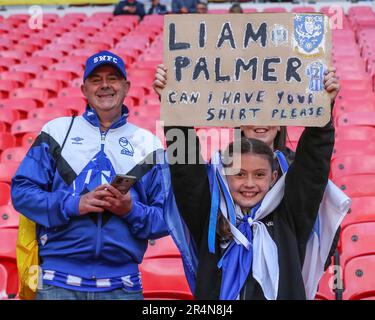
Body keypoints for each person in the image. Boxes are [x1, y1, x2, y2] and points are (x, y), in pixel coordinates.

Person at [154, 65, 349, 299]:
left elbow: (313, 163)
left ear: (274, 176)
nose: (249, 183)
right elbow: (186, 170)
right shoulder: (212, 199)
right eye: (239, 174)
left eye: (259, 174)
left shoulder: (291, 203)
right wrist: (174, 106)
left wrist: (321, 107)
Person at [11, 51, 168, 300]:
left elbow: (166, 218)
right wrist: (74, 204)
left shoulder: (148, 144)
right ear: (84, 89)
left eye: (113, 78)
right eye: (96, 80)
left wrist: (130, 210)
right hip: (57, 285)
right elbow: (22, 193)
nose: (105, 85)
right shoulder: (56, 131)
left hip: (122, 287)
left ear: (126, 87)